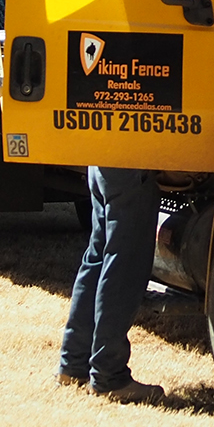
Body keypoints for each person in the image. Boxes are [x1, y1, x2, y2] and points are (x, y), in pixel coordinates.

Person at [58, 166, 165, 404]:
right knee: (124, 265)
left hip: (103, 164)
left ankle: (73, 365)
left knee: (97, 258)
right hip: (129, 166)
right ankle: (109, 375)